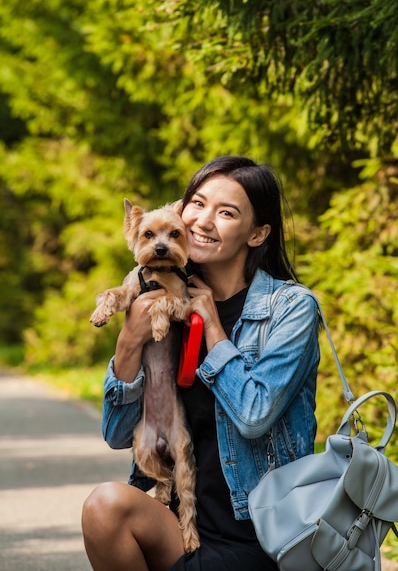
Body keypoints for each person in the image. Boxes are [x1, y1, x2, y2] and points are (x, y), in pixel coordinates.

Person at [82, 156, 321, 571]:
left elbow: (254, 415)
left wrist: (212, 325)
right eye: (197, 204)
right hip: (172, 521)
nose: (202, 222)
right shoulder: (156, 292)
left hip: (257, 530)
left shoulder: (290, 309)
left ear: (258, 233)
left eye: (226, 213)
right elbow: (118, 434)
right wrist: (129, 339)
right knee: (104, 507)